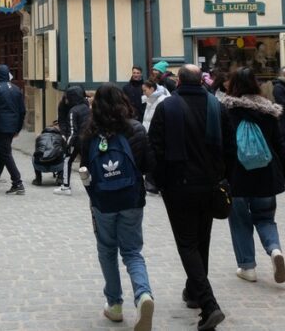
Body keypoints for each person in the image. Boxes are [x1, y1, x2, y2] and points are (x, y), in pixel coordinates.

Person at [148, 64, 234, 330]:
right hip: (210, 185)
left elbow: (155, 151)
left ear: (179, 81)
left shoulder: (167, 107)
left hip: (179, 186)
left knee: (187, 244)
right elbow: (230, 148)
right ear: (200, 81)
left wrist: (160, 183)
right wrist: (224, 178)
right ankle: (194, 291)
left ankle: (209, 305)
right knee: (202, 240)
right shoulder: (216, 106)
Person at [81, 83, 155, 330]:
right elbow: (146, 166)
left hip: (103, 201)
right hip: (132, 198)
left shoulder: (90, 132)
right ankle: (143, 294)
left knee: (107, 250)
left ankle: (114, 305)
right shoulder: (135, 129)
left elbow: (85, 168)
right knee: (132, 252)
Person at [222, 68, 285, 284]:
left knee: (240, 221)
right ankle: (274, 250)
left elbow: (220, 146)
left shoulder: (226, 111)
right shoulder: (268, 111)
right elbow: (279, 144)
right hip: (266, 174)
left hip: (237, 176)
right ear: (255, 84)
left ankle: (247, 267)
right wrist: (284, 171)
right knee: (266, 218)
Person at [0, 64, 26, 195]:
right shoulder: (16, 89)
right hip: (12, 126)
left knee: (6, 153)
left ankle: (18, 182)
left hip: (0, 126)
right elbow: (22, 111)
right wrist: (18, 128)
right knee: (3, 152)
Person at [54, 85, 90, 195]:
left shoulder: (73, 111)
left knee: (67, 160)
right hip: (87, 139)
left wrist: (67, 143)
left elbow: (73, 130)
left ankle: (65, 186)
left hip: (77, 141)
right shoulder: (86, 107)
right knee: (88, 162)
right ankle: (92, 183)